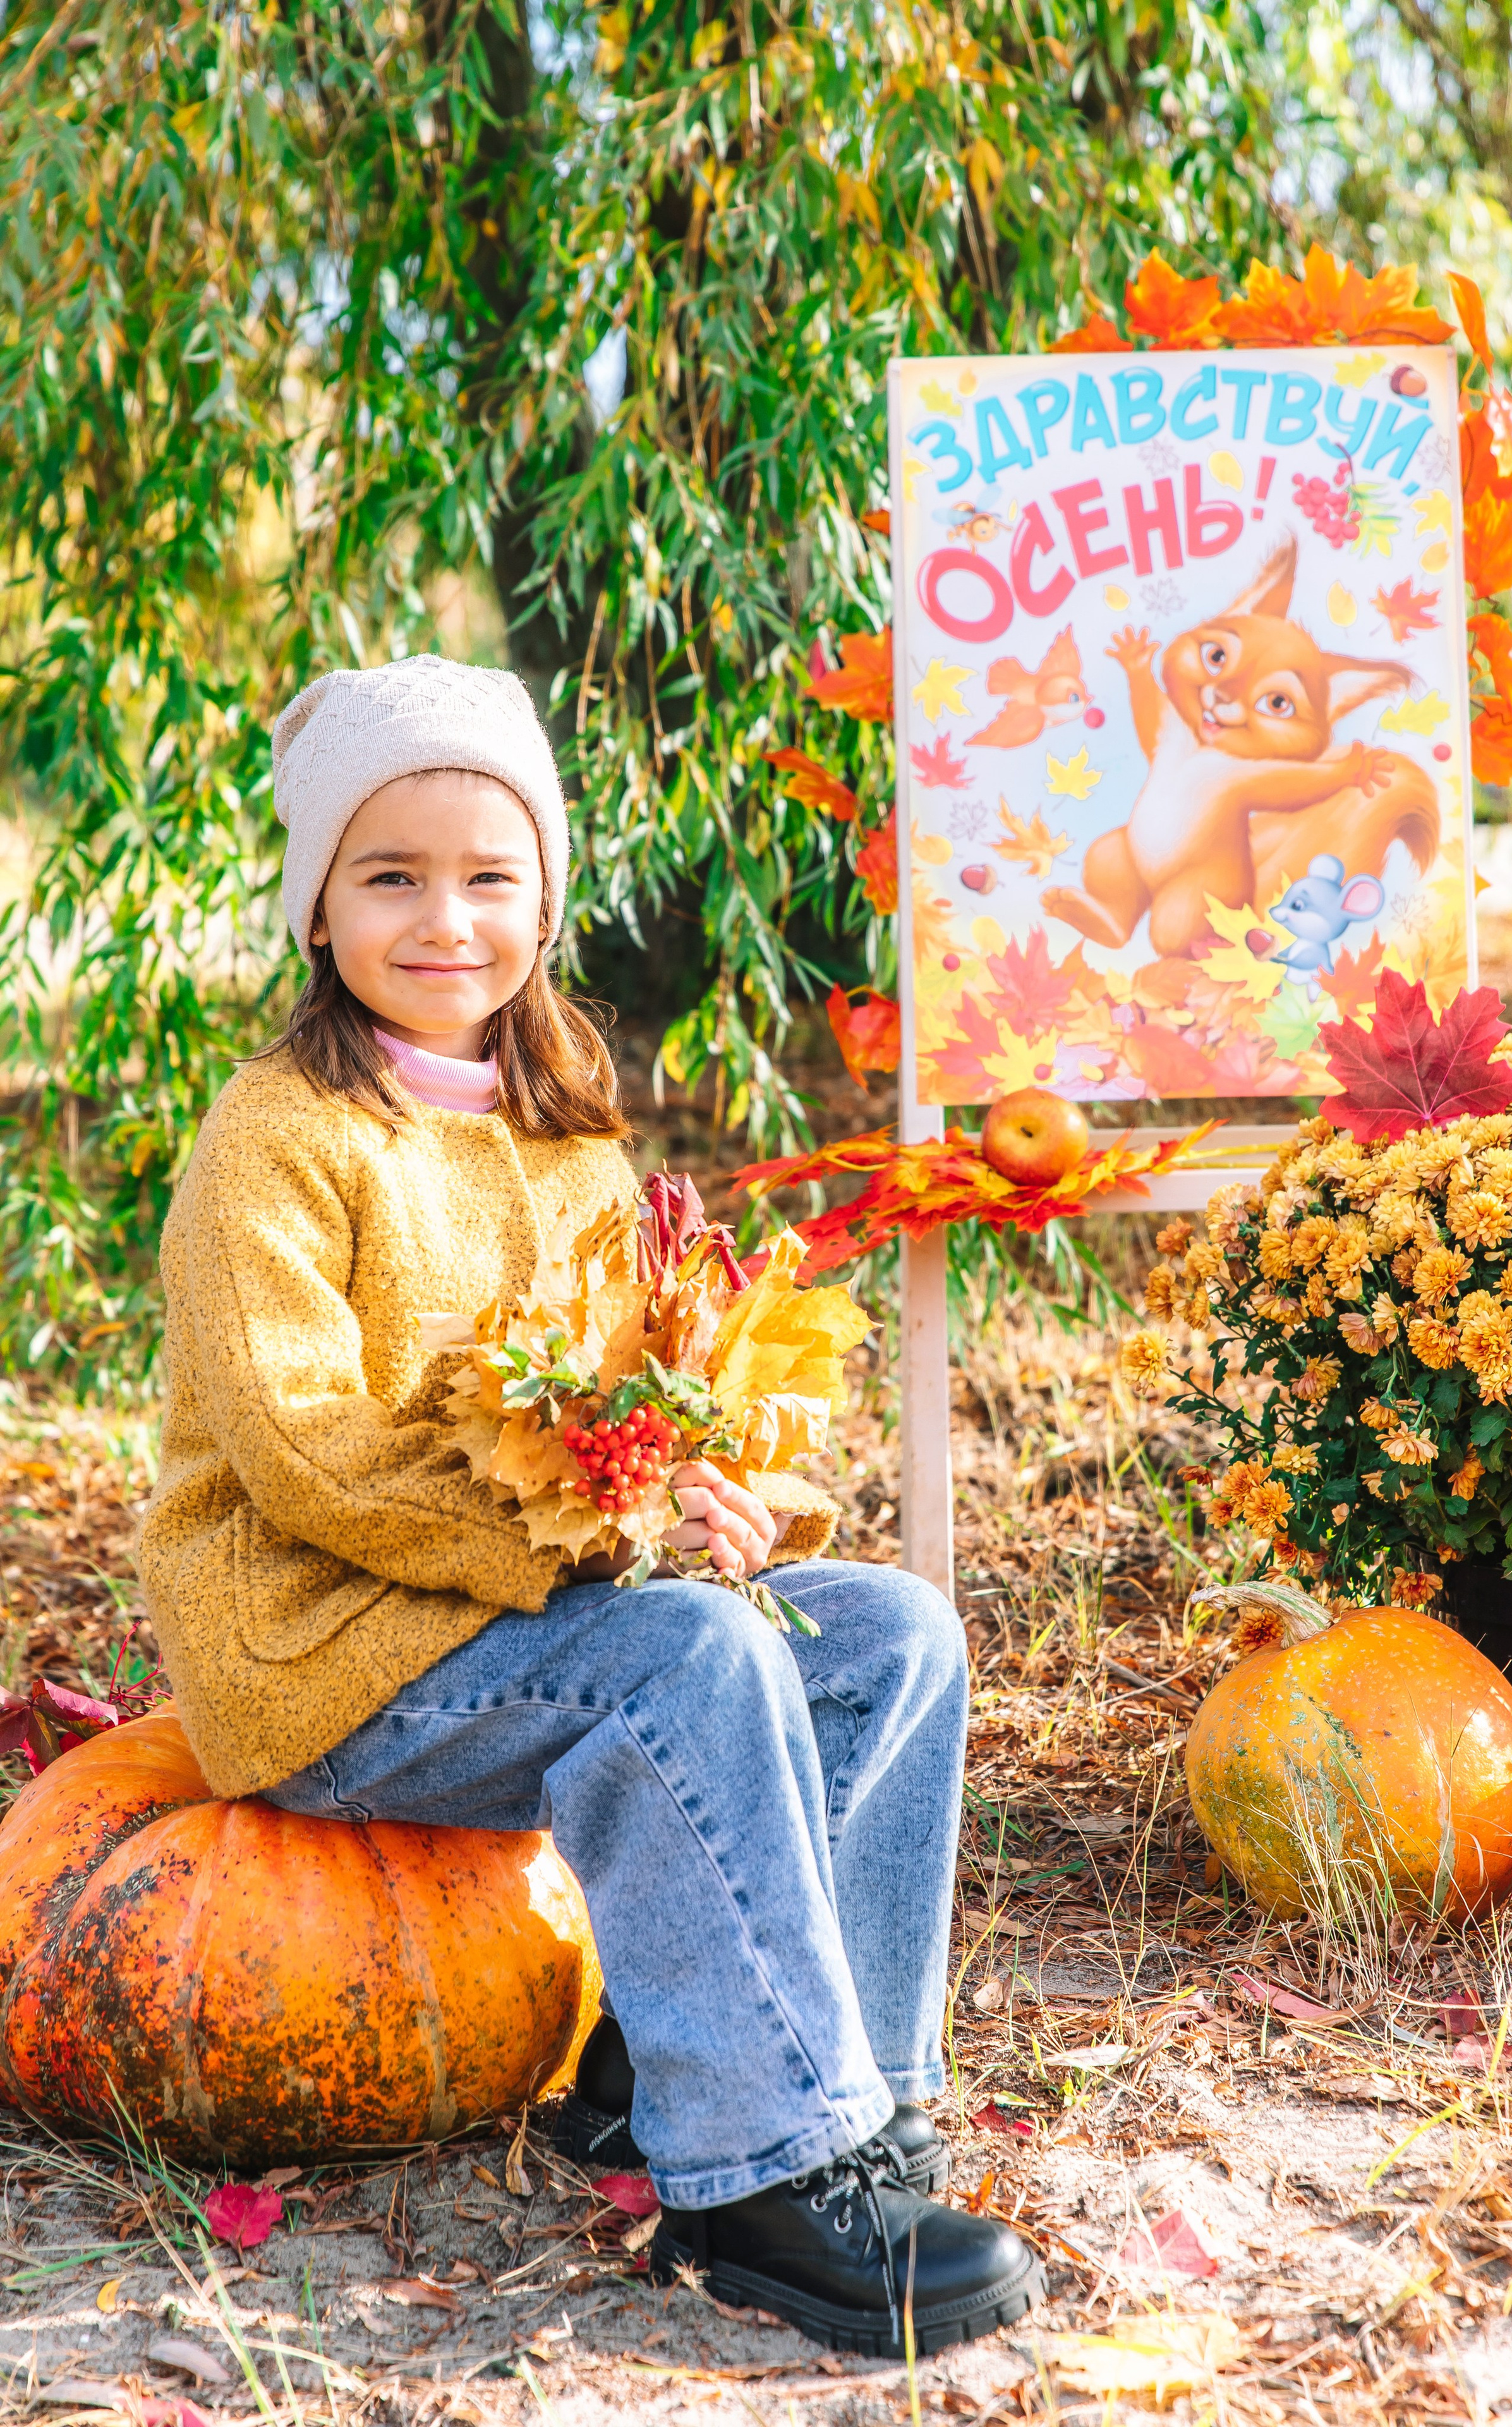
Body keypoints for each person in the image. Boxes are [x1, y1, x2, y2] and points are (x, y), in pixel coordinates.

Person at [140, 656, 1043, 2359]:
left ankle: (771, 2075)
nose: (445, 921)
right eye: (389, 875)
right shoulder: (278, 1139)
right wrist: (597, 1539)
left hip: (526, 1611)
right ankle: (762, 2189)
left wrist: (725, 1491)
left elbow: (649, 1385)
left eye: (491, 878)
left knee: (884, 1637)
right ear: (316, 907)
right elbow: (304, 1452)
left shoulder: (570, 1137)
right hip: (330, 1654)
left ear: (545, 899)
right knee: (688, 1666)